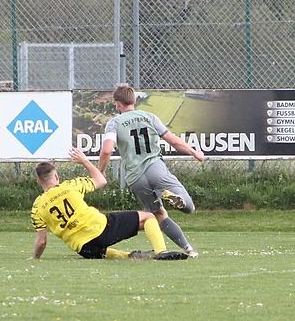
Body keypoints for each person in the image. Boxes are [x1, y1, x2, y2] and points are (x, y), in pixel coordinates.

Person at [98, 84, 205, 258]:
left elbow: (107, 150)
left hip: (135, 177)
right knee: (189, 208)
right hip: (155, 168)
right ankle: (174, 197)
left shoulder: (114, 123)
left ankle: (189, 249)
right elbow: (173, 140)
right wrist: (194, 152)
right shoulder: (149, 117)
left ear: (118, 104)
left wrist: (100, 171)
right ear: (133, 101)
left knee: (159, 214)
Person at [31, 147, 188, 261]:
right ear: (56, 176)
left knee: (101, 252)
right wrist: (84, 161)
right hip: (101, 230)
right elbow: (101, 180)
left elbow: (42, 241)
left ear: (38, 181)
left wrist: (35, 259)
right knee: (147, 217)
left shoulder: (37, 207)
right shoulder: (71, 186)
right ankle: (161, 252)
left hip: (84, 248)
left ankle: (130, 256)